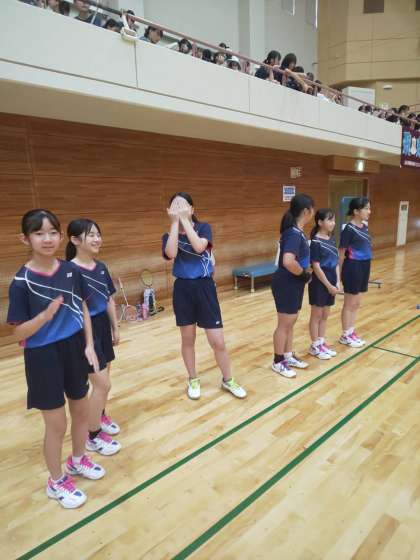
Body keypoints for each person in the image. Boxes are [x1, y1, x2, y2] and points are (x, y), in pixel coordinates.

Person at [7, 209, 105, 509]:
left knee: (81, 410)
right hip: (42, 355)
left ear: (61, 236)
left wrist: (89, 344)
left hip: (74, 347)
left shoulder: (71, 270)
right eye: (39, 233)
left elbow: (83, 307)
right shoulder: (21, 282)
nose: (47, 239)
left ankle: (77, 459)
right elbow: (18, 332)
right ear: (25, 238)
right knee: (57, 424)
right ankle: (56, 480)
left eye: (52, 232)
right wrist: (45, 316)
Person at [162, 192, 246, 400]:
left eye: (183, 206)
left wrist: (185, 220)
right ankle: (193, 379)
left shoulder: (204, 228)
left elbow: (200, 247)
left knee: (218, 341)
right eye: (175, 206)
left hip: (205, 287)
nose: (179, 209)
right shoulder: (169, 235)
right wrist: (175, 223)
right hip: (183, 289)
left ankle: (228, 379)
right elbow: (171, 254)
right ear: (169, 211)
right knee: (187, 339)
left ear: (192, 209)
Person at [66, 219, 121, 456]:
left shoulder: (101, 267)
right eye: (92, 235)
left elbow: (109, 298)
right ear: (75, 240)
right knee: (102, 384)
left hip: (102, 326)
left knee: (104, 381)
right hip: (83, 332)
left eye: (99, 234)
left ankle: (98, 415)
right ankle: (93, 435)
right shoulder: (69, 271)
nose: (97, 239)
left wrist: (115, 327)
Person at [271, 194, 314, 378]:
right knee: (284, 324)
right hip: (286, 282)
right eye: (312, 209)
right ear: (306, 211)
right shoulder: (293, 234)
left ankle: (287, 355)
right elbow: (288, 261)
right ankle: (278, 361)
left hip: (293, 282)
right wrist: (304, 274)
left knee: (291, 322)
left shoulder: (297, 232)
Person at [339, 197, 372, 348]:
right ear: (356, 211)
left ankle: (351, 331)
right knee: (349, 303)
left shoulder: (364, 226)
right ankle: (345, 335)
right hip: (352, 266)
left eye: (369, 208)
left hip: (365, 265)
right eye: (366, 208)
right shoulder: (348, 229)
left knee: (357, 303)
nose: (369, 211)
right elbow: (341, 253)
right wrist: (338, 276)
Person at [308, 209, 340, 360]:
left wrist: (338, 281)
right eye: (330, 220)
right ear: (320, 222)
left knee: (325, 315)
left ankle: (321, 342)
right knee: (317, 315)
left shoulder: (332, 239)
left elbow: (336, 262)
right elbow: (316, 266)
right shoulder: (315, 242)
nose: (333, 223)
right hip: (319, 283)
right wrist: (328, 286)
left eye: (334, 220)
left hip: (332, 281)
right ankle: (314, 345)